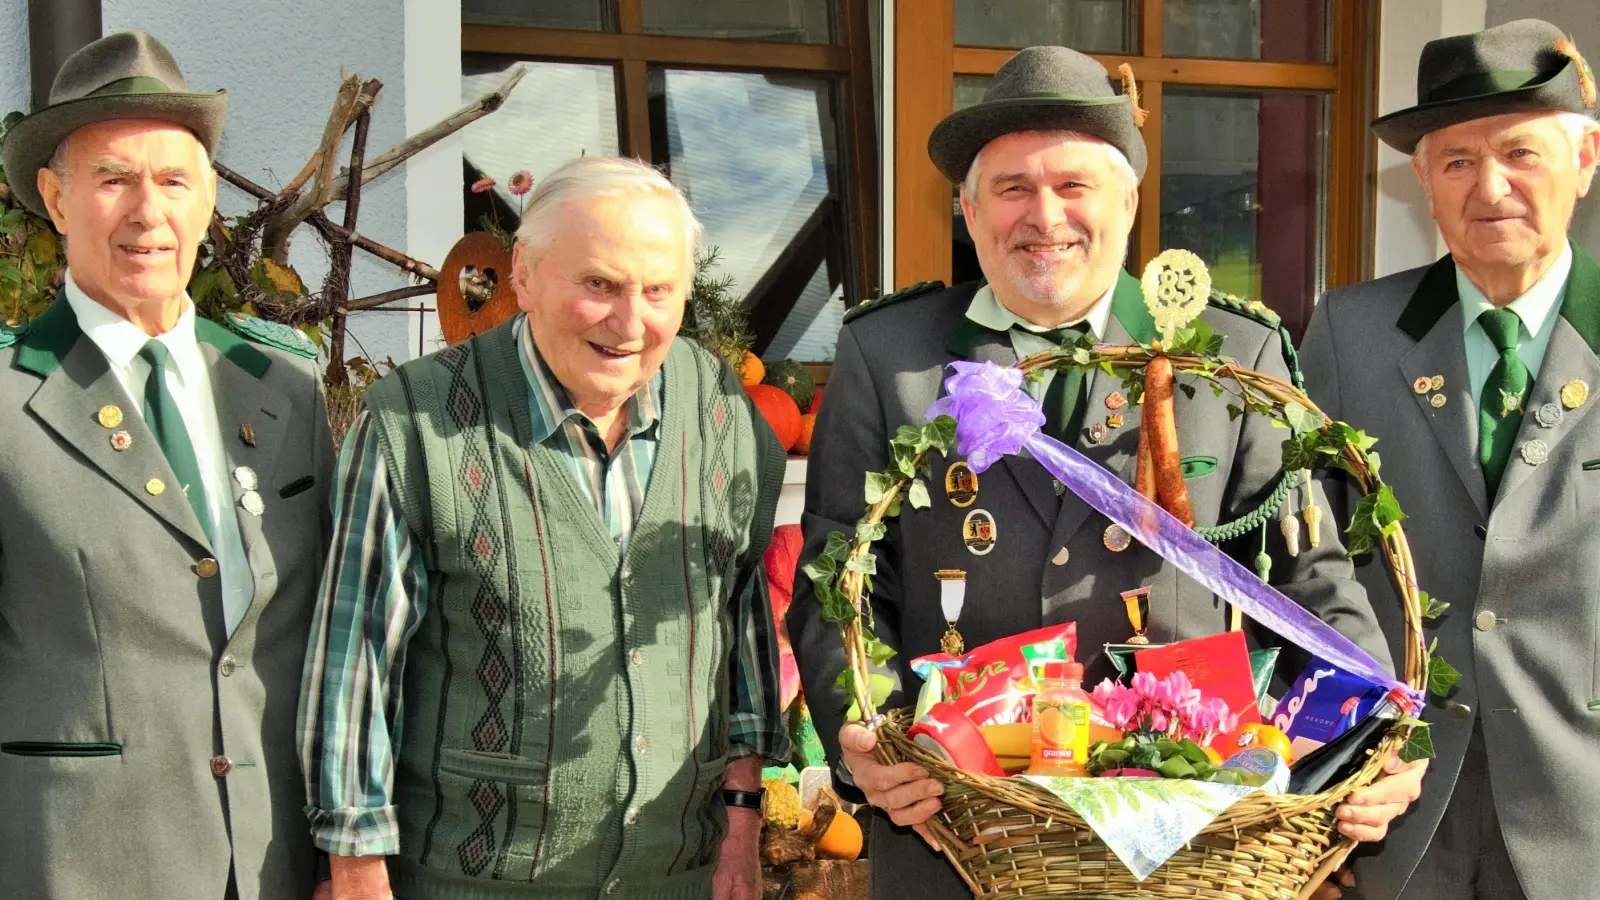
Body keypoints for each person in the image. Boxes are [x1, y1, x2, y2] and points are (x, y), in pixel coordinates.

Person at [788, 45, 1426, 900]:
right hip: (959, 832)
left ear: (1128, 201)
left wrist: (1382, 737)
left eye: (1073, 186)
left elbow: (1311, 576)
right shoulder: (889, 355)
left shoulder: (1232, 352)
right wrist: (867, 736)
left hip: (1187, 841)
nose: (1043, 216)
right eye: (1012, 187)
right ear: (969, 211)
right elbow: (841, 580)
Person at [298, 155, 790, 900]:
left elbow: (741, 631)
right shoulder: (413, 424)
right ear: (524, 274)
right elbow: (356, 667)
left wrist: (742, 824)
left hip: (677, 880)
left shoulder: (723, 411)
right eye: (599, 285)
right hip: (474, 883)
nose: (630, 323)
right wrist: (358, 873)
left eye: (658, 291)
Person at [0, 31, 332, 900]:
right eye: (113, 179)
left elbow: (328, 642)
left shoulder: (283, 388)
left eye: (174, 181)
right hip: (79, 865)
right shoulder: (4, 398)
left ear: (210, 199)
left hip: (276, 865)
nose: (149, 212)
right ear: (56, 199)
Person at [1300, 18, 1600, 900]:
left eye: (1520, 153)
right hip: (1400, 815)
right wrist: (1334, 764)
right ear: (1422, 181)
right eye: (1457, 161)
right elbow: (1305, 565)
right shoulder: (1350, 335)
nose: (1490, 186)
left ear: (1585, 160)